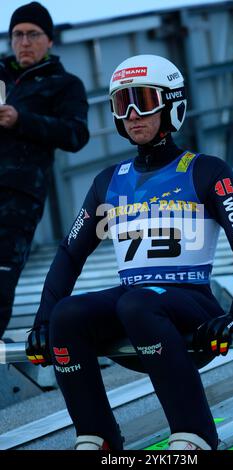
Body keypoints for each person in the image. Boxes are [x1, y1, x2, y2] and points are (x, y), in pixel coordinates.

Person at [26, 54, 233, 451]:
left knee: (137, 302)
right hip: (135, 306)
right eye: (123, 104)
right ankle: (97, 438)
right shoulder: (110, 181)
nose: (134, 114)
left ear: (172, 104)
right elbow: (70, 253)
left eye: (144, 101)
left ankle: (195, 436)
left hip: (190, 303)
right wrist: (42, 321)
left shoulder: (205, 170)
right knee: (66, 314)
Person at [0, 2, 89, 339]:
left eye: (33, 34)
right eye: (17, 35)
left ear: (49, 40)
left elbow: (76, 134)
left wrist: (21, 119)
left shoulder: (65, 85)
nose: (24, 42)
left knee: (2, 275)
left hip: (18, 199)